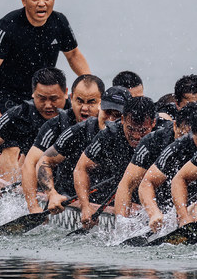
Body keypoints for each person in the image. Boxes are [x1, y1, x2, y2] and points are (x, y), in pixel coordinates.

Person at [0, 0, 91, 126]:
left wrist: (91, 85)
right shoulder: (7, 25)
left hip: (46, 95)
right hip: (10, 97)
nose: (42, 3)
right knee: (16, 142)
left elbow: (73, 55)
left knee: (83, 117)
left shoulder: (59, 22)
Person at [0, 68, 67, 197]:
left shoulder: (76, 112)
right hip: (32, 174)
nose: (48, 105)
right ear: (33, 94)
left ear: (66, 93)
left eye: (53, 99)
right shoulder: (20, 114)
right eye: (41, 98)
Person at [37, 85, 129, 213]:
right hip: (70, 197)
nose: (111, 120)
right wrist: (52, 194)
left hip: (111, 201)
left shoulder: (134, 138)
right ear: (100, 106)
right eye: (107, 112)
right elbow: (45, 161)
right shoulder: (79, 131)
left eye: (117, 115)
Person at [20, 74, 104, 212]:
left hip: (99, 195)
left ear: (102, 102)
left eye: (91, 102)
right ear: (71, 98)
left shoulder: (113, 126)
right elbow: (30, 164)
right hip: (65, 194)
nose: (84, 108)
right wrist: (35, 206)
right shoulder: (56, 125)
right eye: (80, 101)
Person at [140, 104, 197, 232]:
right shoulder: (179, 147)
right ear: (192, 133)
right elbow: (147, 182)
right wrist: (154, 214)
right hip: (192, 208)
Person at [74, 96, 157, 226]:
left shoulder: (162, 135)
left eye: (142, 131)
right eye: (130, 129)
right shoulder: (109, 135)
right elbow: (81, 168)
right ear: (122, 119)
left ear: (153, 123)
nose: (136, 136)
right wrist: (85, 206)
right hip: (121, 193)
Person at [113, 101, 197, 217]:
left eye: (196, 140)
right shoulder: (153, 141)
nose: (186, 143)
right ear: (174, 126)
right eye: (182, 136)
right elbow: (127, 185)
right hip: (162, 203)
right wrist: (122, 226)